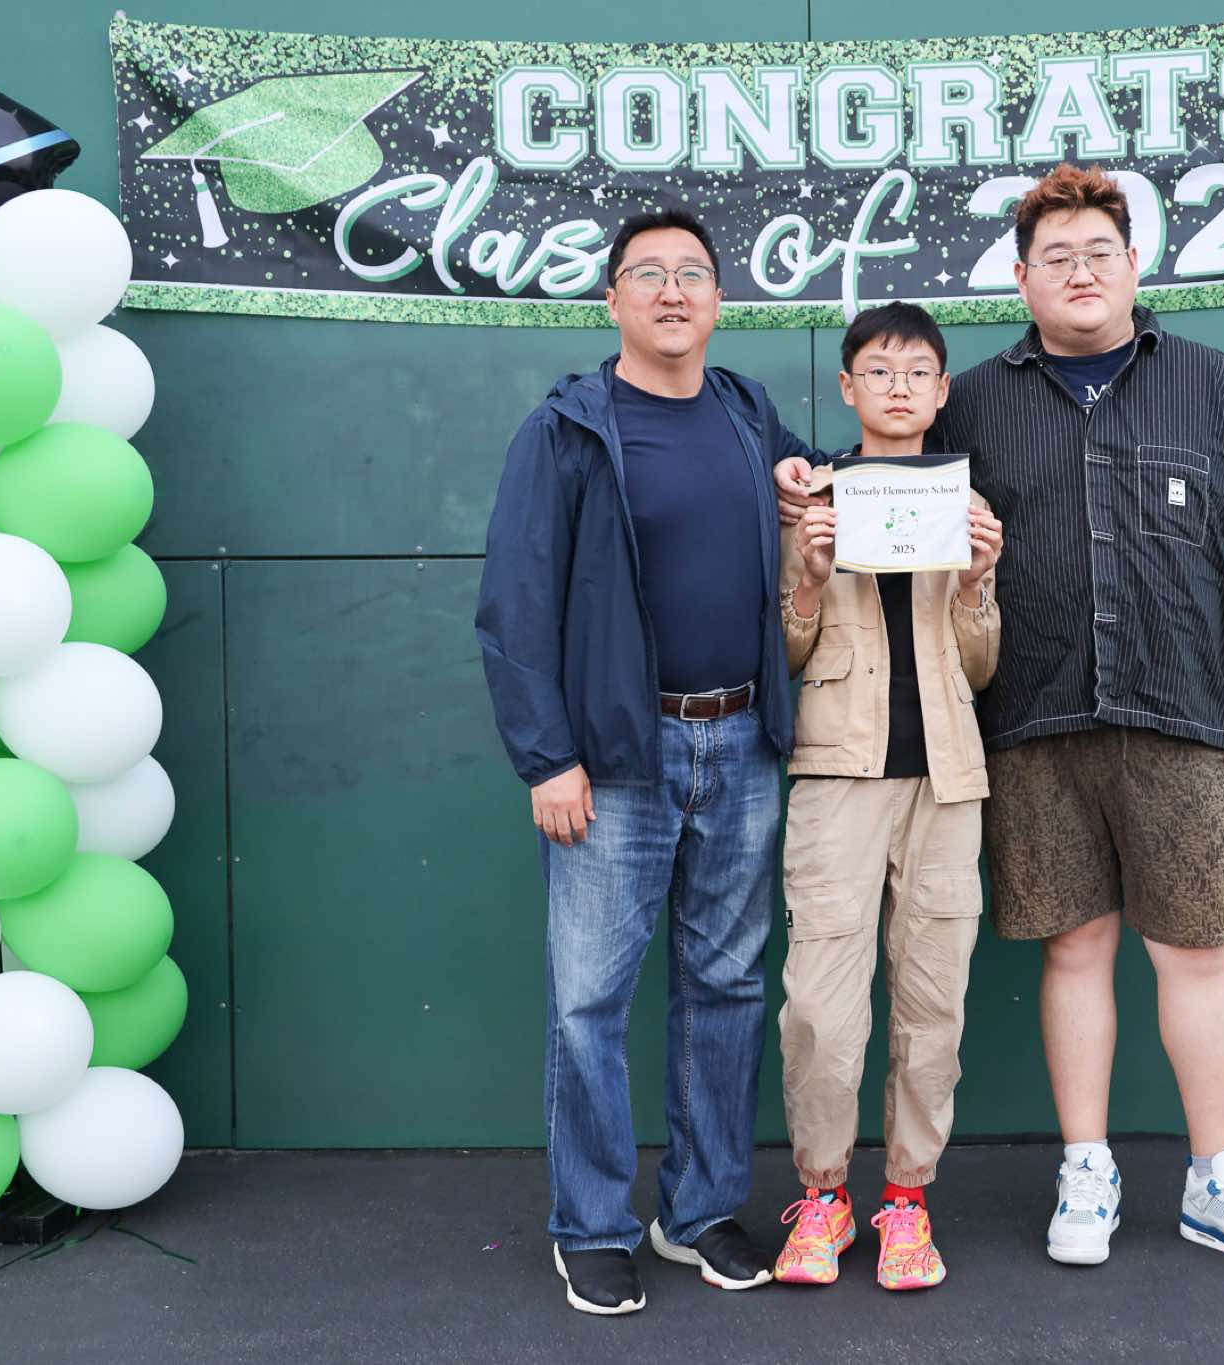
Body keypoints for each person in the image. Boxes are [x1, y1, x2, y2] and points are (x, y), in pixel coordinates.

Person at [774, 164, 1224, 1274]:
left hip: (1180, 711)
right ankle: (1086, 1167)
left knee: (1193, 949)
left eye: (1098, 253)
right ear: (1021, 279)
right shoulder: (973, 401)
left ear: (1134, 265)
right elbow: (885, 471)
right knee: (1074, 949)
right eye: (1055, 258)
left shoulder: (1213, 383)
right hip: (1032, 717)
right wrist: (803, 481)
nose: (1079, 272)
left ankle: (1219, 1177)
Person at [478, 207, 815, 1316]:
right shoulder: (566, 430)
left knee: (725, 987)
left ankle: (700, 1210)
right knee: (589, 1001)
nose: (673, 291)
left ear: (718, 300)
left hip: (744, 743)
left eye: (693, 274)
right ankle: (591, 1224)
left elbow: (818, 497)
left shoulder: (747, 414)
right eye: (649, 273)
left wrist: (830, 485)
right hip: (614, 760)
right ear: (613, 298)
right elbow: (515, 605)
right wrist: (547, 759)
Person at [773, 303, 1003, 1292]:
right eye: (878, 370)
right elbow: (784, 654)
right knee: (820, 1007)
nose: (898, 386)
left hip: (947, 778)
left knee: (932, 1003)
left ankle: (906, 1201)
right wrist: (808, 577)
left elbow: (981, 669)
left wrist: (978, 582)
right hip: (836, 774)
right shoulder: (808, 501)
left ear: (942, 391)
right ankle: (822, 1197)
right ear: (847, 388)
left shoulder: (966, 502)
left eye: (917, 372)